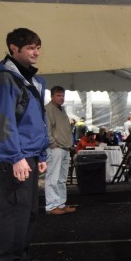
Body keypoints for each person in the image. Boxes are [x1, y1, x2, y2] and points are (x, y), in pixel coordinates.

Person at [0, 28, 51, 261]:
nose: (36, 52)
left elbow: (34, 120)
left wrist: (40, 154)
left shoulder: (28, 79)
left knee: (27, 212)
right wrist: (16, 157)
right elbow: (2, 121)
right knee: (15, 212)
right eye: (30, 48)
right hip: (18, 157)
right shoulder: (6, 78)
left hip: (29, 156)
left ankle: (20, 259)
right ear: (14, 49)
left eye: (38, 47)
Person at [44, 85, 76, 215]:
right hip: (56, 148)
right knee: (53, 178)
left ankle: (60, 204)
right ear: (52, 96)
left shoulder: (61, 109)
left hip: (65, 147)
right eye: (58, 95)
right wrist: (53, 144)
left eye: (63, 95)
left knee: (62, 179)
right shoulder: (48, 109)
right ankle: (51, 206)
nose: (61, 98)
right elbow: (47, 129)